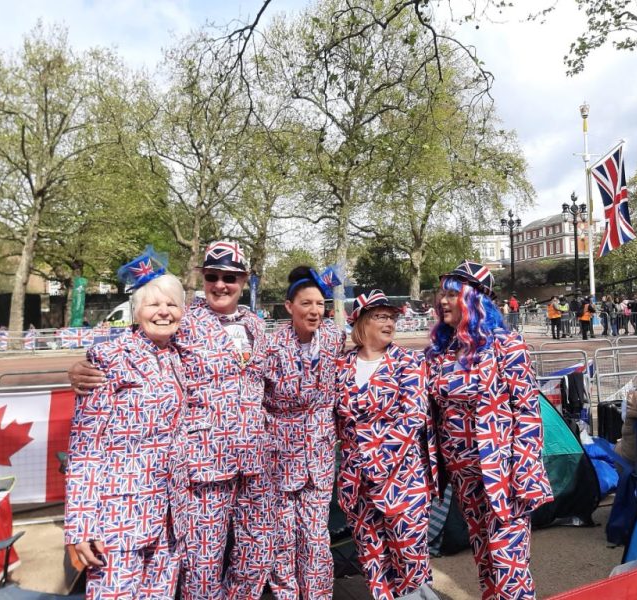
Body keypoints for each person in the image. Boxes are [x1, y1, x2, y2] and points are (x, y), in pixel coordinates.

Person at [68, 240, 274, 599]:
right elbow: (136, 339)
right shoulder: (183, 318)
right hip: (203, 466)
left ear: (244, 281)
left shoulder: (256, 325)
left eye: (230, 277)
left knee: (257, 556)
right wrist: (77, 371)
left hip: (253, 463)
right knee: (203, 567)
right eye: (213, 276)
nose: (221, 284)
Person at [64, 252, 189, 600]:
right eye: (153, 304)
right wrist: (81, 524)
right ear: (136, 310)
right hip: (117, 516)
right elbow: (85, 447)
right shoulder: (108, 358)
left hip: (169, 515)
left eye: (171, 304)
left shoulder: (179, 356)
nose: (163, 311)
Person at [426, 261, 552, 598]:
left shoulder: (507, 346)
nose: (443, 301)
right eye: (442, 293)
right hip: (463, 474)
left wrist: (523, 470)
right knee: (483, 555)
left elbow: (527, 410)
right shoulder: (440, 352)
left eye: (453, 294)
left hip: (503, 473)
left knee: (508, 559)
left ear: (474, 300)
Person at [336, 290, 438, 600]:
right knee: (372, 558)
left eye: (392, 317)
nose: (389, 322)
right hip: (356, 484)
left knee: (409, 559)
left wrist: (374, 460)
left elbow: (412, 417)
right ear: (362, 321)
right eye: (381, 316)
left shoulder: (408, 362)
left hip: (402, 480)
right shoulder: (341, 366)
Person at [264, 266, 346, 599]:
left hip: (320, 458)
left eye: (319, 303)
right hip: (280, 459)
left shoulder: (334, 337)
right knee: (283, 539)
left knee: (315, 539)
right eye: (306, 304)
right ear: (289, 307)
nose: (314, 311)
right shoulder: (269, 346)